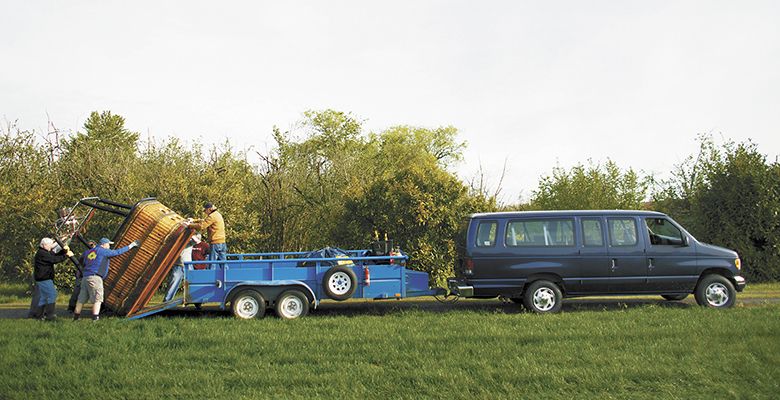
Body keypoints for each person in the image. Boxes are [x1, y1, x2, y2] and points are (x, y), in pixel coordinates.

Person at [73, 238, 139, 321]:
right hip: (95, 278)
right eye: (108, 244)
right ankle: (95, 319)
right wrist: (131, 246)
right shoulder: (103, 251)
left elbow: (81, 261)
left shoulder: (88, 252)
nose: (109, 246)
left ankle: (75, 318)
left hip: (85, 278)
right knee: (98, 299)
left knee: (81, 299)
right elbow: (117, 252)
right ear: (103, 244)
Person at [30, 237, 74, 320]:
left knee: (43, 297)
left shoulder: (45, 252)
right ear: (44, 245)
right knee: (52, 295)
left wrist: (64, 251)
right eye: (49, 245)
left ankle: (39, 316)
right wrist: (66, 256)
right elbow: (54, 260)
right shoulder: (42, 253)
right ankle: (50, 315)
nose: (51, 247)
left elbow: (55, 255)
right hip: (44, 278)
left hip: (43, 278)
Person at [185, 202, 226, 270]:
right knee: (223, 262)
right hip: (222, 242)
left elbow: (202, 226)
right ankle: (227, 276)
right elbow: (205, 221)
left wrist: (189, 225)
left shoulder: (212, 216)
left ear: (209, 209)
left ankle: (210, 277)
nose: (205, 212)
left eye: (205, 210)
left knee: (212, 262)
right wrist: (194, 220)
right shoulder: (217, 214)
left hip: (215, 242)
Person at [68, 240, 96, 313]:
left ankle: (97, 309)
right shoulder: (85, 254)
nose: (91, 246)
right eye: (90, 245)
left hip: (90, 274)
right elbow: (79, 263)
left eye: (92, 245)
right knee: (77, 292)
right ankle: (71, 308)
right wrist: (78, 272)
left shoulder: (96, 254)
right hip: (82, 274)